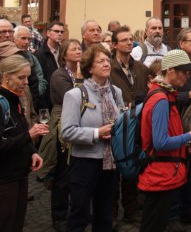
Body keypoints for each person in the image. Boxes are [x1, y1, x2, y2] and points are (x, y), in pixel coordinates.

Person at [138, 50, 191, 232]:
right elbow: (160, 142)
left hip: (165, 170)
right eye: (183, 71)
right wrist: (190, 136)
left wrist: (185, 145)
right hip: (160, 171)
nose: (187, 76)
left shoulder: (165, 94)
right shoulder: (161, 99)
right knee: (153, 224)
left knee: (156, 222)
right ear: (170, 71)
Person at [61, 43, 125, 231]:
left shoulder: (116, 92)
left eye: (108, 60)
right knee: (79, 213)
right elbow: (67, 131)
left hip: (110, 162)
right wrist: (97, 133)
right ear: (90, 68)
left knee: (105, 213)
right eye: (100, 61)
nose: (106, 64)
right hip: (84, 163)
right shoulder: (75, 95)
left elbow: (120, 120)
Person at [39, 38, 83, 230]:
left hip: (80, 120)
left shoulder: (83, 72)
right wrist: (81, 79)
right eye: (73, 49)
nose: (78, 52)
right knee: (62, 171)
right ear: (64, 55)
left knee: (76, 169)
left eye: (79, 48)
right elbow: (74, 98)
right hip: (62, 121)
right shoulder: (59, 75)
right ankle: (59, 216)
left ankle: (76, 211)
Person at [0, 55, 48, 231]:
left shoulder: (16, 97)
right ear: (6, 76)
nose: (26, 82)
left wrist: (32, 152)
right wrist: (30, 135)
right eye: (21, 77)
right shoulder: (2, 102)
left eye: (27, 77)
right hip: (5, 178)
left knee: (17, 222)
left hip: (20, 172)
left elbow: (18, 131)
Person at [110, 26, 149, 224]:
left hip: (137, 122)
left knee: (133, 164)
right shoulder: (109, 67)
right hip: (116, 123)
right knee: (114, 169)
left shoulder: (141, 67)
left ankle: (131, 209)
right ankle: (112, 213)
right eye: (123, 40)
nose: (128, 42)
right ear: (114, 44)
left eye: (130, 39)